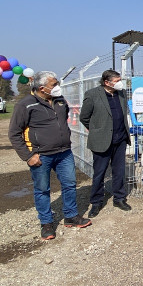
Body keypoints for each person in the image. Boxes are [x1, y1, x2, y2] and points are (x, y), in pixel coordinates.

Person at [8, 71, 91, 240]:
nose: (57, 87)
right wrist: (28, 156)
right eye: (54, 84)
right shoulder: (26, 105)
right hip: (41, 156)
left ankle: (71, 216)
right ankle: (46, 223)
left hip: (64, 152)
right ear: (42, 88)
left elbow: (62, 119)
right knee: (42, 190)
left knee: (69, 184)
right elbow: (14, 133)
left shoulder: (60, 101)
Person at [80, 70, 132, 218]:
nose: (120, 83)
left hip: (120, 139)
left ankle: (119, 198)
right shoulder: (92, 94)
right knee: (100, 173)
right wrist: (97, 130)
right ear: (106, 82)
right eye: (117, 80)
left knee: (119, 171)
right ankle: (96, 202)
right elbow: (84, 117)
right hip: (102, 140)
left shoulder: (121, 93)